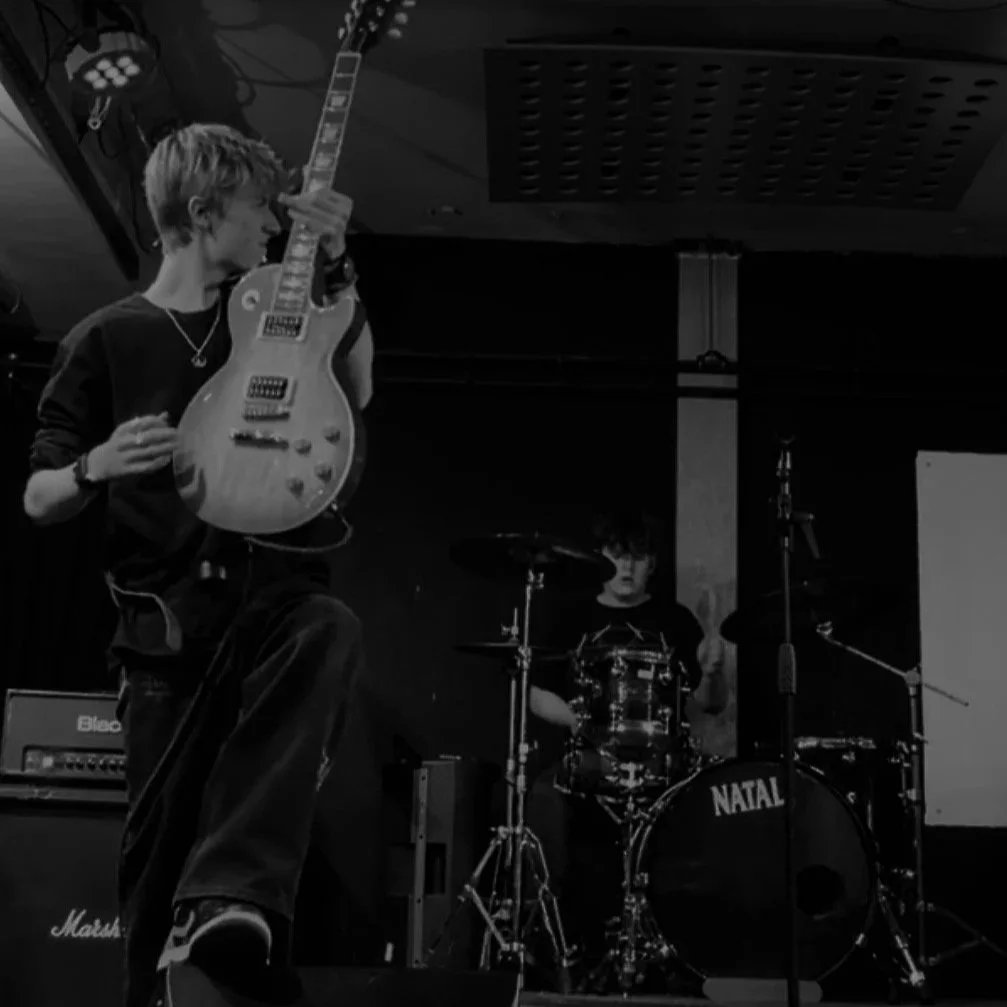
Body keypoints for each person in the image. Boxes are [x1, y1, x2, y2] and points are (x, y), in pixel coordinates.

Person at [22, 123, 373, 1007]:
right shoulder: (106, 338)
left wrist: (335, 263)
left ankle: (230, 896)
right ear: (205, 210)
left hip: (271, 601)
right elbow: (37, 493)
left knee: (328, 624)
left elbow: (358, 384)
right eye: (259, 208)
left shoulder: (263, 313)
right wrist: (93, 466)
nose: (271, 227)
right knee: (153, 879)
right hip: (165, 632)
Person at [525, 511, 728, 983]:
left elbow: (710, 705)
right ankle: (559, 948)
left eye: (637, 557)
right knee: (541, 800)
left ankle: (683, 953)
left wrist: (714, 672)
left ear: (652, 563)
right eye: (617, 555)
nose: (626, 567)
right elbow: (536, 695)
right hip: (588, 759)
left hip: (663, 764)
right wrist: (580, 721)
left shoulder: (674, 621)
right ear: (602, 558)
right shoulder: (574, 616)